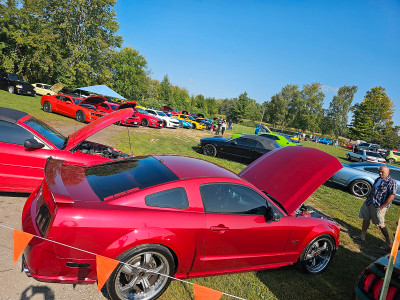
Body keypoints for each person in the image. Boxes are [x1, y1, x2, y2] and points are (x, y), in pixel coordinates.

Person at [353, 165, 397, 249]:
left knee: (380, 224)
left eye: (382, 172)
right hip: (370, 202)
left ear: (388, 173)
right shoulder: (378, 179)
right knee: (366, 218)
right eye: (379, 171)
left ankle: (388, 243)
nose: (380, 173)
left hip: (379, 206)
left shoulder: (392, 182)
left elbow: (392, 196)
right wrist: (368, 199)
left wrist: (383, 205)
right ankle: (362, 236)